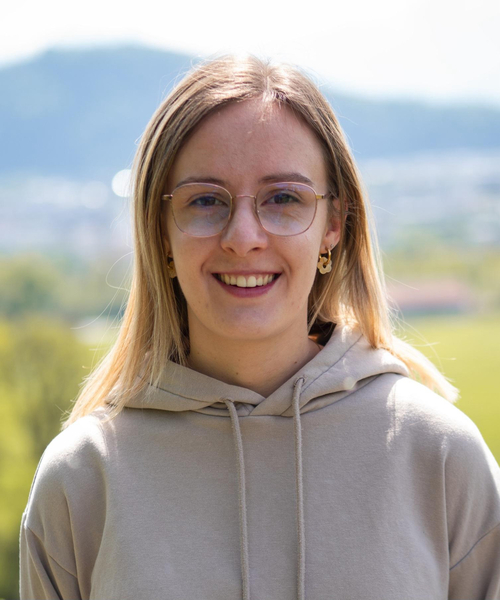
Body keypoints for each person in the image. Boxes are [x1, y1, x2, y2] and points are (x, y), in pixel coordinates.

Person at [20, 56, 500, 600]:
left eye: (283, 198)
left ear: (333, 224)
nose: (243, 237)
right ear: (160, 231)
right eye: (206, 200)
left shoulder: (440, 456)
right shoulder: (83, 480)